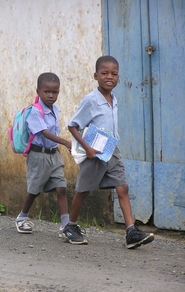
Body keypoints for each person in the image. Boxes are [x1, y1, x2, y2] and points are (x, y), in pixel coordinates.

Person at [62, 55, 154, 249]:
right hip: (94, 153)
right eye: (104, 73)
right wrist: (87, 148)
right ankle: (70, 226)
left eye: (114, 74)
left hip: (112, 149)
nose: (109, 77)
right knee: (83, 191)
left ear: (118, 77)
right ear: (96, 75)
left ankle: (130, 232)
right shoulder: (90, 100)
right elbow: (73, 126)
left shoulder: (114, 99)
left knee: (122, 187)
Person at [15, 72, 71, 237]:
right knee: (34, 190)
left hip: (53, 155)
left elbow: (51, 134)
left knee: (61, 188)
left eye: (55, 92)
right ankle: (22, 216)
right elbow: (45, 133)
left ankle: (66, 224)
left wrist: (57, 148)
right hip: (38, 156)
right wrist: (65, 142)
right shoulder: (34, 111)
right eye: (47, 92)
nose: (51, 95)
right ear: (38, 91)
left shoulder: (54, 110)